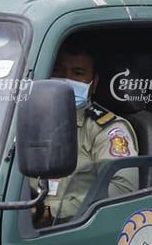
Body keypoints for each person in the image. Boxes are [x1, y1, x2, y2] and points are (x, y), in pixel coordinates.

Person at [34, 38, 139, 226]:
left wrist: (51, 212)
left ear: (94, 83)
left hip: (74, 229)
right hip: (20, 224)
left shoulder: (107, 130)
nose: (66, 79)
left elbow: (122, 189)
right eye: (58, 71)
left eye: (78, 73)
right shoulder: (29, 120)